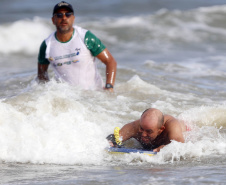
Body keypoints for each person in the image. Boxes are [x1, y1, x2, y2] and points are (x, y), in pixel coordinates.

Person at [37, 1, 117, 91]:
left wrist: (109, 86)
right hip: (69, 100)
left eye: (68, 14)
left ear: (73, 18)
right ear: (53, 20)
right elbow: (41, 75)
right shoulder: (47, 45)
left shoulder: (86, 37)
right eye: (59, 15)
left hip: (95, 97)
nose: (64, 18)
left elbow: (110, 61)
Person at [107, 108, 188, 152]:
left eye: (149, 131)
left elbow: (180, 146)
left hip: (188, 129)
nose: (143, 134)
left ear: (160, 130)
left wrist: (165, 148)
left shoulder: (172, 127)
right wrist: (111, 142)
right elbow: (115, 137)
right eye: (141, 129)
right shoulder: (135, 126)